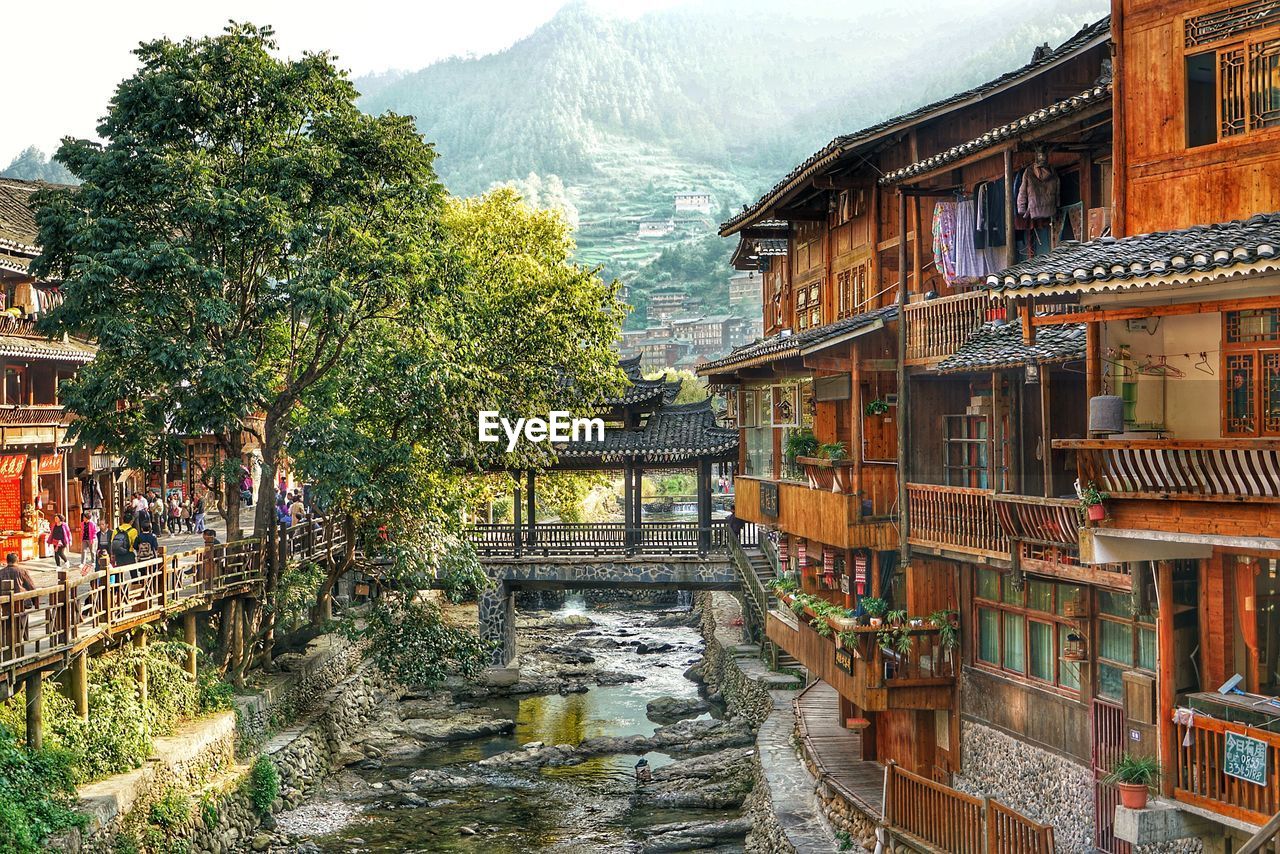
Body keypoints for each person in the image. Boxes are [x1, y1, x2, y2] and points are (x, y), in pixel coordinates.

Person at [0, 552, 36, 653]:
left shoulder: (1, 572)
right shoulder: (22, 571)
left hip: (6, 604)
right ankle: (22, 638)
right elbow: (31, 586)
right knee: (21, 618)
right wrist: (35, 600)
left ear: (7, 561)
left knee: (7, 620)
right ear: (17, 560)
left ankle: (8, 641)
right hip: (21, 602)